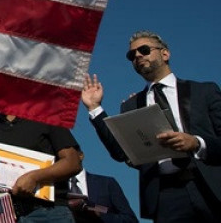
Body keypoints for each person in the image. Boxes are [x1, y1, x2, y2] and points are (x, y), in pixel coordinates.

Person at [81, 30, 221, 222]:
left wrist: (197, 143)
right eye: (132, 55)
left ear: (165, 54)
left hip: (210, 186)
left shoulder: (204, 91)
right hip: (166, 196)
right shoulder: (131, 105)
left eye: (144, 50)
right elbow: (121, 152)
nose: (137, 56)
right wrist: (95, 108)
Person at [0, 102, 81, 222]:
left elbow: (73, 162)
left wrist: (34, 177)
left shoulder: (46, 116)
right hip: (4, 215)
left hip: (49, 212)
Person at [66, 148, 137, 223]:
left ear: (81, 155)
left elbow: (130, 220)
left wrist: (100, 215)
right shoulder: (55, 189)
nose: (62, 160)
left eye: (65, 155)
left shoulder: (107, 183)